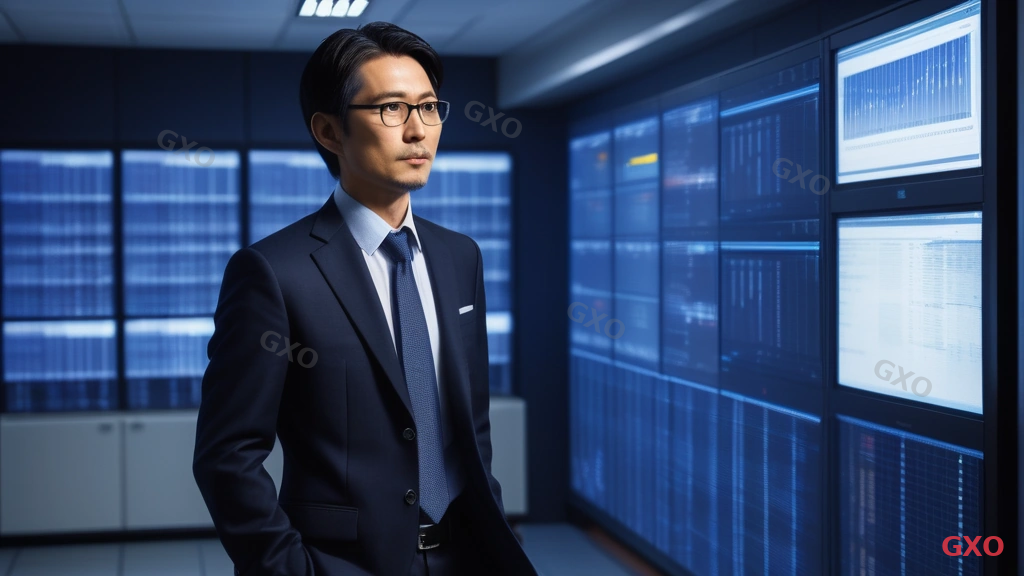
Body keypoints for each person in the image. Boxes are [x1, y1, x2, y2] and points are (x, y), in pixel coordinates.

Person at [192, 21, 538, 576]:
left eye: (429, 108)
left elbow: (469, 431)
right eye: (391, 109)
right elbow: (226, 455)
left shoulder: (459, 257)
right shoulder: (274, 273)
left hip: (469, 556)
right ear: (329, 131)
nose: (418, 131)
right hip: (344, 563)